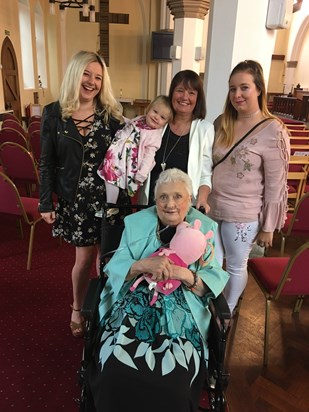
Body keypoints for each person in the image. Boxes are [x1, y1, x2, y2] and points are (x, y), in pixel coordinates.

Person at [87, 168, 229, 412]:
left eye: (177, 196)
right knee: (113, 372)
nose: (170, 204)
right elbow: (114, 265)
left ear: (190, 199)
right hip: (134, 300)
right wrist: (142, 265)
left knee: (175, 383)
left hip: (183, 309)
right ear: (155, 199)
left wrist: (184, 274)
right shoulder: (135, 223)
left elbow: (213, 277)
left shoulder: (204, 228)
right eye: (163, 197)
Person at [38, 50, 124, 338]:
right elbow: (46, 161)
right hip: (77, 201)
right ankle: (77, 307)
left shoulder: (111, 115)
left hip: (109, 199)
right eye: (86, 74)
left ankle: (105, 305)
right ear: (75, 74)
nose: (92, 82)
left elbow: (129, 153)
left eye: (98, 77)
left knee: (108, 258)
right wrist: (44, 200)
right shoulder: (53, 112)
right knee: (84, 260)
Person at [208, 59, 290, 314]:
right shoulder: (222, 121)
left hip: (243, 214)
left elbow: (277, 184)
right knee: (211, 263)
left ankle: (226, 314)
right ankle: (212, 304)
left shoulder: (273, 130)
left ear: (259, 89)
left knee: (235, 265)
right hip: (212, 207)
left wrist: (268, 227)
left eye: (244, 87)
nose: (237, 94)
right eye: (232, 88)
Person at [139, 70, 214, 211]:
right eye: (180, 90)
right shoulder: (158, 123)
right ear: (172, 93)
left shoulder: (205, 129)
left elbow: (205, 174)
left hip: (183, 209)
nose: (185, 97)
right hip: (151, 205)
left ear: (198, 98)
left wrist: (202, 200)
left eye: (191, 93)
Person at [97, 95, 172, 216]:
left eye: (162, 117)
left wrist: (142, 174)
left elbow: (149, 157)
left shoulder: (154, 136)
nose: (156, 117)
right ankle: (110, 203)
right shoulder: (141, 119)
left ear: (166, 123)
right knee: (109, 177)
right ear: (149, 109)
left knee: (112, 179)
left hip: (128, 162)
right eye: (155, 111)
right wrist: (122, 119)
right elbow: (131, 125)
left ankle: (111, 205)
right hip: (119, 154)